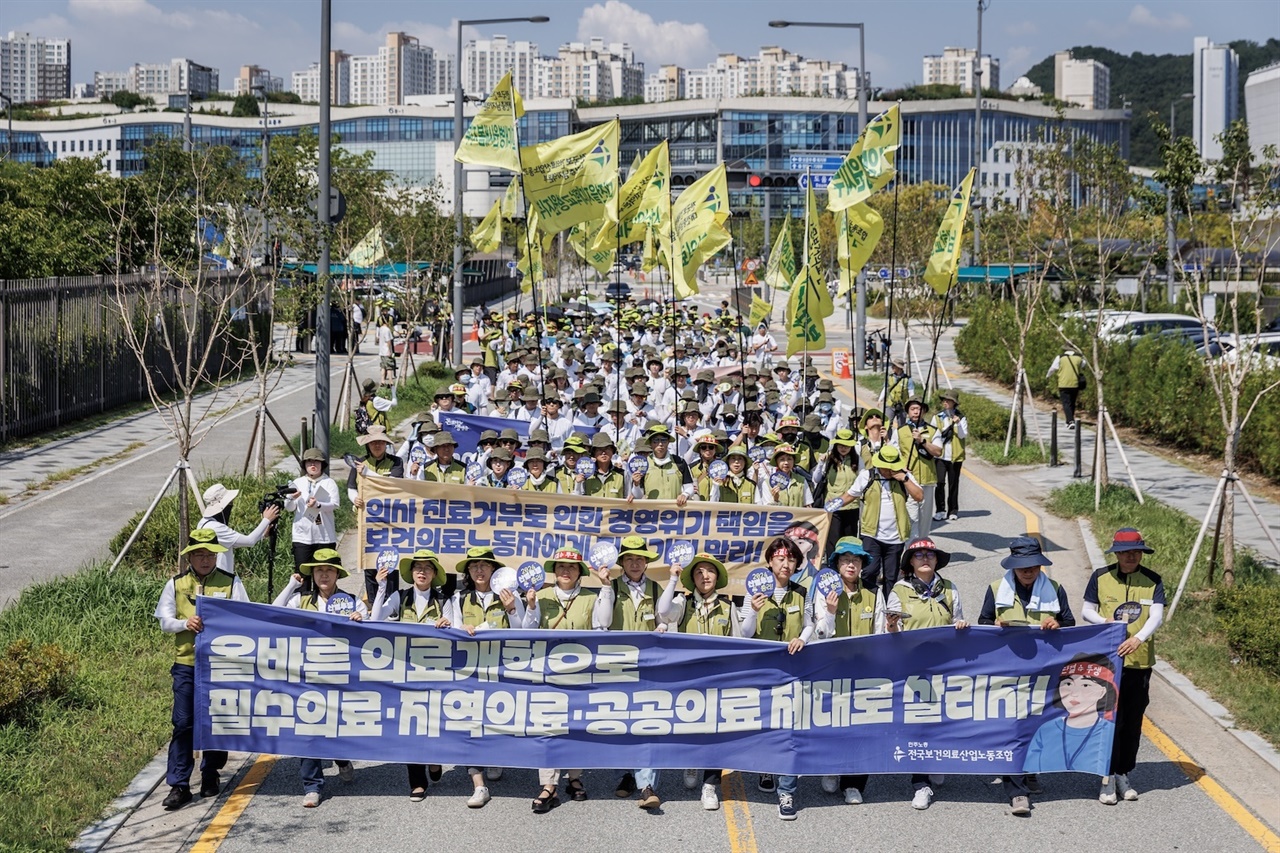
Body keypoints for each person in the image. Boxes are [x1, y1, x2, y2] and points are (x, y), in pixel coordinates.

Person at [979, 537, 1076, 817]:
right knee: (1013, 728)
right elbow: (982, 622)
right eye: (1023, 567)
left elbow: (1069, 623)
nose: (1028, 571)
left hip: (1044, 670)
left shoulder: (1055, 589)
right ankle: (1017, 792)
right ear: (1013, 567)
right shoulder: (996, 589)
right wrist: (996, 624)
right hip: (1008, 671)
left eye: (1033, 566)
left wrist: (1057, 623)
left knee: (1038, 724)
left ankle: (1031, 771)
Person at [154, 529, 248, 810]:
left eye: (210, 554)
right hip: (186, 665)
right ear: (190, 557)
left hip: (220, 665)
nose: (205, 559)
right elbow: (164, 621)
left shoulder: (231, 581)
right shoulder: (176, 583)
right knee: (183, 724)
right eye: (199, 554)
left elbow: (245, 616)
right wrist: (186, 624)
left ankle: (211, 773)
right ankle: (179, 784)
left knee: (216, 720)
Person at [271, 549, 365, 807]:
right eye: (319, 570)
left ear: (337, 574)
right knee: (307, 727)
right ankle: (312, 785)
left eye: (329, 570)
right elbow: (271, 612)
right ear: (312, 574)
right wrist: (292, 585)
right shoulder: (299, 601)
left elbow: (370, 626)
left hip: (339, 676)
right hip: (306, 677)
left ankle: (342, 757)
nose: (324, 574)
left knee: (336, 725)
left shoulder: (351, 601)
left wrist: (360, 619)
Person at [526, 547, 613, 813]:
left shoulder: (591, 596)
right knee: (548, 727)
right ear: (553, 572)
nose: (566, 571)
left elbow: (604, 624)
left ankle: (575, 778)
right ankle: (548, 785)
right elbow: (527, 630)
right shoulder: (539, 595)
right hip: (547, 672)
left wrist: (607, 587)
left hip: (581, 672)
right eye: (561, 567)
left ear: (580, 573)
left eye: (572, 567)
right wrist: (530, 606)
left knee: (577, 726)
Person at [1081, 528, 1165, 805]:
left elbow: (1157, 615)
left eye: (1137, 551)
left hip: (1138, 664)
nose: (1132, 556)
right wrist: (1103, 622)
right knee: (1107, 721)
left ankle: (1123, 773)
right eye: (1127, 552)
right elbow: (1087, 609)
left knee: (1131, 721)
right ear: (1116, 553)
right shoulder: (1101, 577)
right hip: (1107, 662)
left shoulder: (1153, 580)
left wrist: (1139, 638)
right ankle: (1105, 776)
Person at [886, 538, 969, 810]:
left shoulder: (951, 589)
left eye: (930, 555)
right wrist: (891, 626)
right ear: (910, 561)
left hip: (945, 667)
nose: (925, 559)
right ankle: (920, 783)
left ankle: (935, 761)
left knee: (942, 720)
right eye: (918, 555)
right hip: (913, 668)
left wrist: (961, 625)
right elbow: (889, 635)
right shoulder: (899, 590)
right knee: (919, 723)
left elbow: (957, 620)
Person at [738, 537, 816, 820]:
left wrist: (802, 638)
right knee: (765, 725)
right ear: (770, 561)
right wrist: (754, 612)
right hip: (763, 671)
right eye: (780, 558)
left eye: (791, 559)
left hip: (794, 670)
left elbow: (810, 624)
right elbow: (744, 634)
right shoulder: (753, 592)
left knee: (790, 729)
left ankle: (787, 790)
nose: (785, 563)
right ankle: (765, 767)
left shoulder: (802, 592)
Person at [656, 552, 739, 810]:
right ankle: (692, 762)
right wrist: (672, 579)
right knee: (690, 727)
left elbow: (739, 643)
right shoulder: (682, 602)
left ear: (718, 576)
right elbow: (663, 612)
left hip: (719, 681)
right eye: (699, 571)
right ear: (692, 577)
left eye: (710, 571)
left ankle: (710, 785)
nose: (705, 576)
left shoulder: (728, 606)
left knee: (716, 734)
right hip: (689, 680)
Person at [369, 549, 449, 802]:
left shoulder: (444, 599)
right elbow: (375, 618)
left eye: (427, 568)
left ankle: (435, 759)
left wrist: (446, 624)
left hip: (436, 671)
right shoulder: (400, 596)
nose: (422, 572)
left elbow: (456, 627)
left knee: (434, 721)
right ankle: (417, 782)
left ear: (434, 574)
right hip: (405, 670)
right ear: (411, 573)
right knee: (410, 725)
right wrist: (381, 586)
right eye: (417, 568)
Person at [813, 537, 885, 806]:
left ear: (863, 564)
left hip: (865, 673)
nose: (851, 565)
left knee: (861, 729)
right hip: (832, 671)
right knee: (832, 724)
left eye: (855, 560)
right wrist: (830, 611)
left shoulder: (874, 594)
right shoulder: (825, 592)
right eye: (845, 560)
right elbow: (821, 634)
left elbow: (879, 633)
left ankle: (853, 783)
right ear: (836, 565)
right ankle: (830, 766)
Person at [598, 535, 666, 810]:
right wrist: (604, 587)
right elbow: (603, 622)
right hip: (618, 666)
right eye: (629, 559)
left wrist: (663, 628)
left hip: (649, 666)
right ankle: (625, 775)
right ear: (622, 563)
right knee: (620, 724)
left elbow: (666, 622)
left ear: (646, 563)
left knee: (648, 722)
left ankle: (647, 785)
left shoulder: (657, 589)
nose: (635, 563)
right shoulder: (611, 586)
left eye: (640, 559)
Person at [832, 445, 921, 596]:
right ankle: (870, 604)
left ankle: (889, 609)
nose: (888, 471)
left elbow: (919, 496)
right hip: (871, 534)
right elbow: (849, 495)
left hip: (895, 537)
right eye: (885, 468)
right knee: (869, 572)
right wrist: (828, 508)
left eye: (891, 467)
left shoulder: (903, 477)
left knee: (891, 576)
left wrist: (904, 478)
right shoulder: (867, 476)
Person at [1023, 655, 1118, 775]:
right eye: (1068, 684)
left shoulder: (1110, 732)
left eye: (1085, 685)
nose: (1074, 693)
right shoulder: (1046, 730)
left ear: (1102, 692)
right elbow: (1031, 766)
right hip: (1054, 793)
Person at [347, 425, 404, 604]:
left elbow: (392, 485)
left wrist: (368, 473)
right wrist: (354, 498)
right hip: (367, 521)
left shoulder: (397, 462)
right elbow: (351, 486)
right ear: (367, 445)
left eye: (380, 442)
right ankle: (372, 601)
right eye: (373, 442)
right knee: (369, 561)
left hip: (389, 522)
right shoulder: (358, 462)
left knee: (390, 559)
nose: (377, 445)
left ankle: (391, 602)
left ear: (385, 444)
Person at [196, 482, 280, 576]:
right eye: (230, 503)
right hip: (219, 580)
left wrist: (263, 535)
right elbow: (249, 541)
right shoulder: (216, 528)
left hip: (214, 577)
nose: (231, 505)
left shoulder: (203, 523)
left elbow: (235, 542)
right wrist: (266, 519)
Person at [283, 448, 339, 575]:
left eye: (316, 462)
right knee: (302, 575)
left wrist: (318, 505)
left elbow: (334, 504)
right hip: (302, 537)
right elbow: (290, 507)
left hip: (325, 537)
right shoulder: (298, 482)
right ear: (304, 465)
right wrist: (291, 498)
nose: (313, 465)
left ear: (322, 464)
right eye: (309, 462)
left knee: (325, 575)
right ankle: (304, 595)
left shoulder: (329, 482)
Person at [897, 399, 942, 540]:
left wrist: (922, 441)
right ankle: (910, 548)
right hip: (909, 480)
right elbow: (894, 453)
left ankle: (921, 546)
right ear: (908, 412)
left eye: (919, 408)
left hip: (927, 480)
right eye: (912, 409)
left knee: (925, 518)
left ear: (924, 411)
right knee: (911, 516)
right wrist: (901, 467)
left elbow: (938, 451)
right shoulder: (899, 431)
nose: (916, 412)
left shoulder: (933, 431)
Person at [930, 392, 967, 522]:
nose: (945, 402)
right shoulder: (937, 417)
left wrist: (957, 423)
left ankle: (953, 510)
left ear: (954, 403)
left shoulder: (961, 417)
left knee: (953, 484)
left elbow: (963, 435)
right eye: (944, 400)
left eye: (948, 400)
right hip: (940, 455)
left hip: (955, 456)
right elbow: (932, 434)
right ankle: (940, 510)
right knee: (939, 483)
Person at [1046, 347, 1085, 429]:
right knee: (1072, 402)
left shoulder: (1060, 357)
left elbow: (1053, 368)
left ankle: (1070, 421)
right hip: (1075, 384)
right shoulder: (1079, 358)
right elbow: (1084, 365)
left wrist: (1048, 375)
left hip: (1063, 384)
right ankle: (1069, 421)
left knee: (1066, 403)